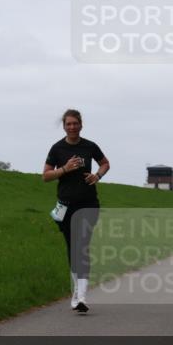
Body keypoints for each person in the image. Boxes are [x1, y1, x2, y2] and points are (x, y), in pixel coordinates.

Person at [43, 109, 110, 313]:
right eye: (68, 124)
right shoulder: (57, 148)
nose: (72, 127)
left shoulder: (90, 146)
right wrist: (64, 169)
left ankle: (82, 296)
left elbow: (105, 163)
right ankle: (76, 292)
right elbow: (45, 176)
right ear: (64, 126)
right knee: (73, 247)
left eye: (75, 123)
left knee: (82, 246)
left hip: (88, 204)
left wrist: (97, 176)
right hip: (65, 206)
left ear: (81, 125)